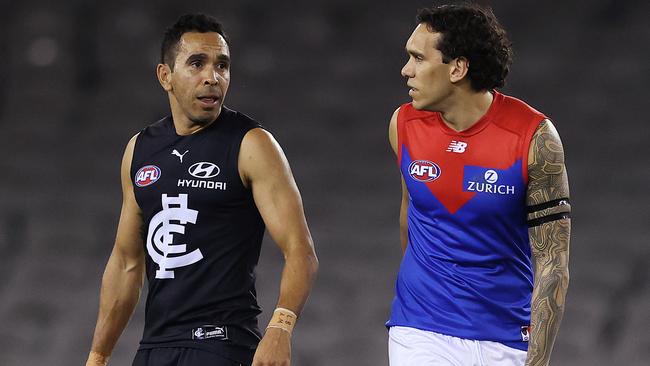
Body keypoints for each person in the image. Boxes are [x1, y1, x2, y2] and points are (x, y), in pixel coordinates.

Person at [85, 13, 318, 366]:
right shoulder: (140, 150)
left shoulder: (251, 144)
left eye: (222, 65)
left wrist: (280, 328)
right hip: (154, 348)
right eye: (197, 63)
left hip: (222, 344)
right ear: (166, 76)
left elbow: (301, 250)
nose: (213, 77)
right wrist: (98, 355)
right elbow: (126, 263)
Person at [386, 4, 570, 366]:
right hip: (421, 330)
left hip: (506, 337)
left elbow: (553, 260)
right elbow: (410, 215)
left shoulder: (534, 138)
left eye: (418, 58)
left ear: (457, 67)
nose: (405, 70)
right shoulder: (403, 124)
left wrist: (538, 361)